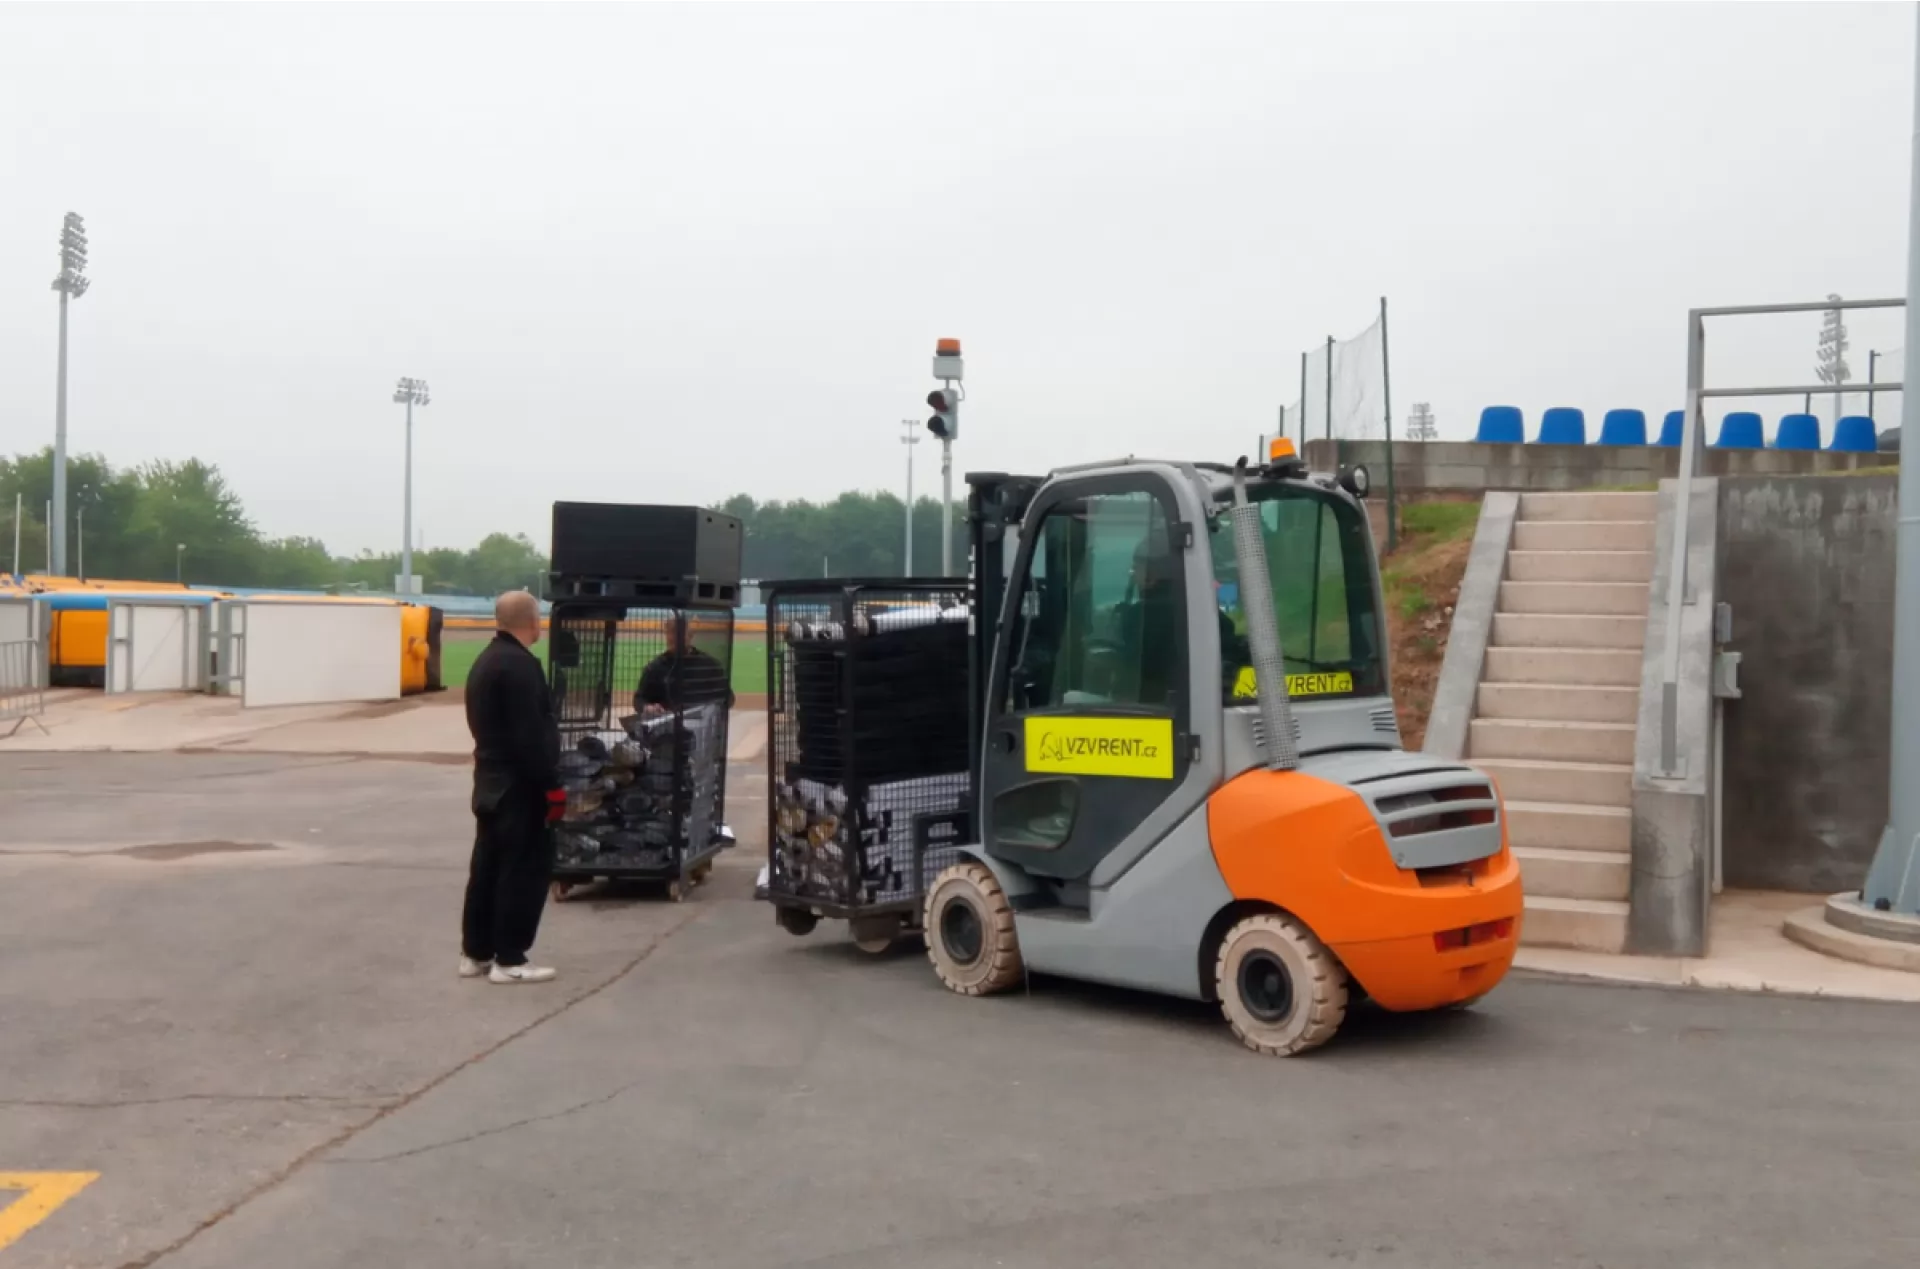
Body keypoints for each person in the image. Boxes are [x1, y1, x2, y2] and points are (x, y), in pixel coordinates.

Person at [460, 590, 563, 984]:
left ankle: (476, 952)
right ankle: (510, 958)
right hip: (520, 786)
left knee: (487, 868)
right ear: (533, 621)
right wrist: (551, 785)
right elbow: (530, 735)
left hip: (489, 781)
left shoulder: (486, 661)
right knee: (522, 871)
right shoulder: (521, 666)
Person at [632, 617, 735, 718]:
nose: (674, 637)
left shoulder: (709, 665)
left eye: (679, 633)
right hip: (666, 723)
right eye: (671, 632)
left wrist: (713, 708)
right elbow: (639, 699)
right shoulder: (655, 667)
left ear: (690, 635)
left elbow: (728, 697)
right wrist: (647, 707)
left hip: (701, 723)